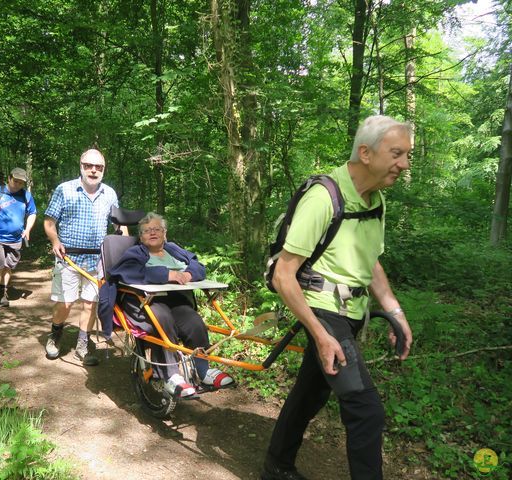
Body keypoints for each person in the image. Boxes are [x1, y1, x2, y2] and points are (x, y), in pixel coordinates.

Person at [260, 115, 414, 480]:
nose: (405, 165)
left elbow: (371, 261)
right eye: (397, 154)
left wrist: (395, 311)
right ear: (365, 152)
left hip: (352, 312)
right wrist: (319, 332)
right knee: (365, 409)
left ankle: (276, 465)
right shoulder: (323, 196)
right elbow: (284, 275)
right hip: (321, 307)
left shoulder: (375, 200)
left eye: (407, 155)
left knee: (310, 394)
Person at [105, 212, 235, 398]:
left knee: (193, 321)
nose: (152, 233)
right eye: (147, 230)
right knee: (162, 319)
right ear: (141, 237)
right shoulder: (135, 253)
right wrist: (168, 275)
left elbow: (198, 266)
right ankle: (170, 375)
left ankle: (204, 370)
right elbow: (127, 272)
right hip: (143, 301)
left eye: (157, 229)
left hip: (175, 299)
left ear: (165, 233)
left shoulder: (174, 249)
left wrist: (188, 275)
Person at [44, 149, 125, 366]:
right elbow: (49, 222)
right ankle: (55, 335)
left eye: (98, 167)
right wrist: (55, 241)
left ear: (103, 170)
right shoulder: (65, 189)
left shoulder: (110, 193)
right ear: (81, 165)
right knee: (66, 303)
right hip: (67, 257)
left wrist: (126, 248)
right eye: (89, 165)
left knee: (91, 305)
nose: (93, 170)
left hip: (98, 260)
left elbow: (119, 225)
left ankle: (83, 344)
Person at [0, 167, 37, 313]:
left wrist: (28, 229)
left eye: (21, 183)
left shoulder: (26, 196)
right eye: (15, 181)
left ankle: (3, 293)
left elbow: (32, 213)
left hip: (15, 238)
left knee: (8, 266)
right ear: (9, 178)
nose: (17, 184)